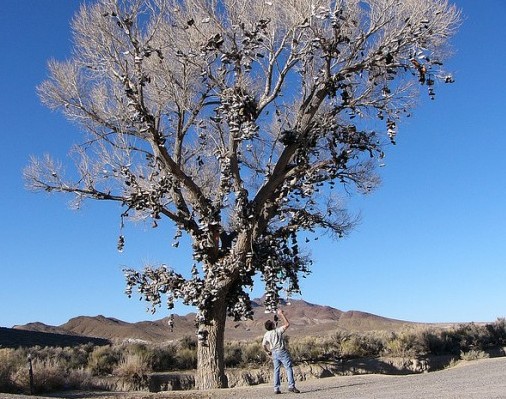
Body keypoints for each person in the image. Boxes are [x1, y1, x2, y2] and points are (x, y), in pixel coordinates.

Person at [262, 308, 300, 394]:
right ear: (272, 326)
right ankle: (291, 386)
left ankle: (276, 388)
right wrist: (281, 314)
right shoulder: (278, 331)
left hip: (274, 353)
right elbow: (287, 324)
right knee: (288, 367)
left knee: (276, 370)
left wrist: (268, 351)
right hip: (281, 351)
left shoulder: (267, 334)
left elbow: (263, 345)